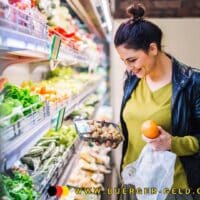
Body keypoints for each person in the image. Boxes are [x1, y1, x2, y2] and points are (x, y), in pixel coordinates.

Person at [113, 3, 200, 200]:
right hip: (133, 182)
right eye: (124, 61)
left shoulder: (192, 83)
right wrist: (116, 134)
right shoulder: (133, 79)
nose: (128, 68)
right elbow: (133, 121)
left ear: (152, 48)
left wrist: (172, 143)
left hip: (171, 188)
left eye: (132, 60)